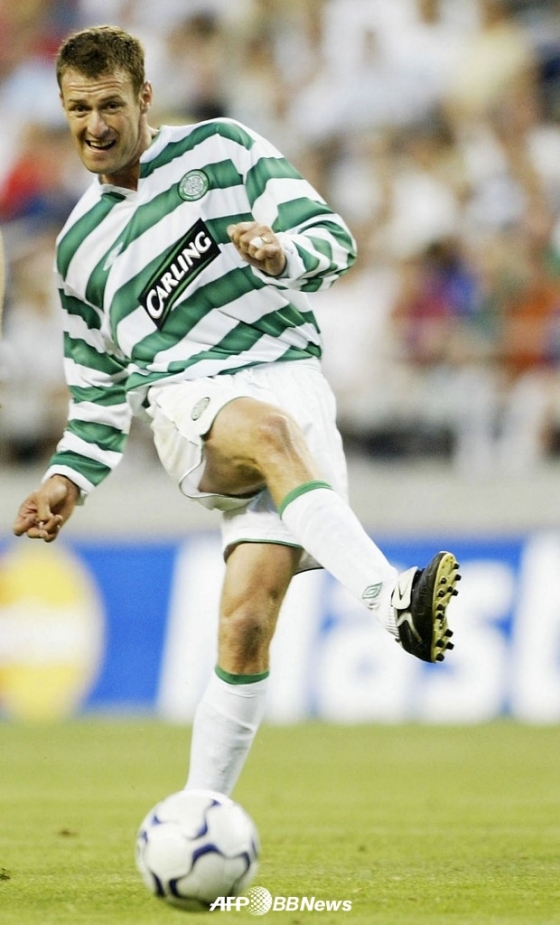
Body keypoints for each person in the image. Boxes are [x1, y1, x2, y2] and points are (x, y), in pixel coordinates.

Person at [13, 26, 460, 796]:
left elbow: (332, 240)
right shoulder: (77, 248)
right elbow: (98, 392)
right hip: (189, 400)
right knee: (267, 431)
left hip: (291, 378)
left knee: (246, 622)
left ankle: (197, 816)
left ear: (145, 98)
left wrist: (281, 253)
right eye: (79, 109)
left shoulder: (223, 150)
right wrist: (67, 479)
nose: (95, 125)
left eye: (110, 104)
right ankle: (392, 599)